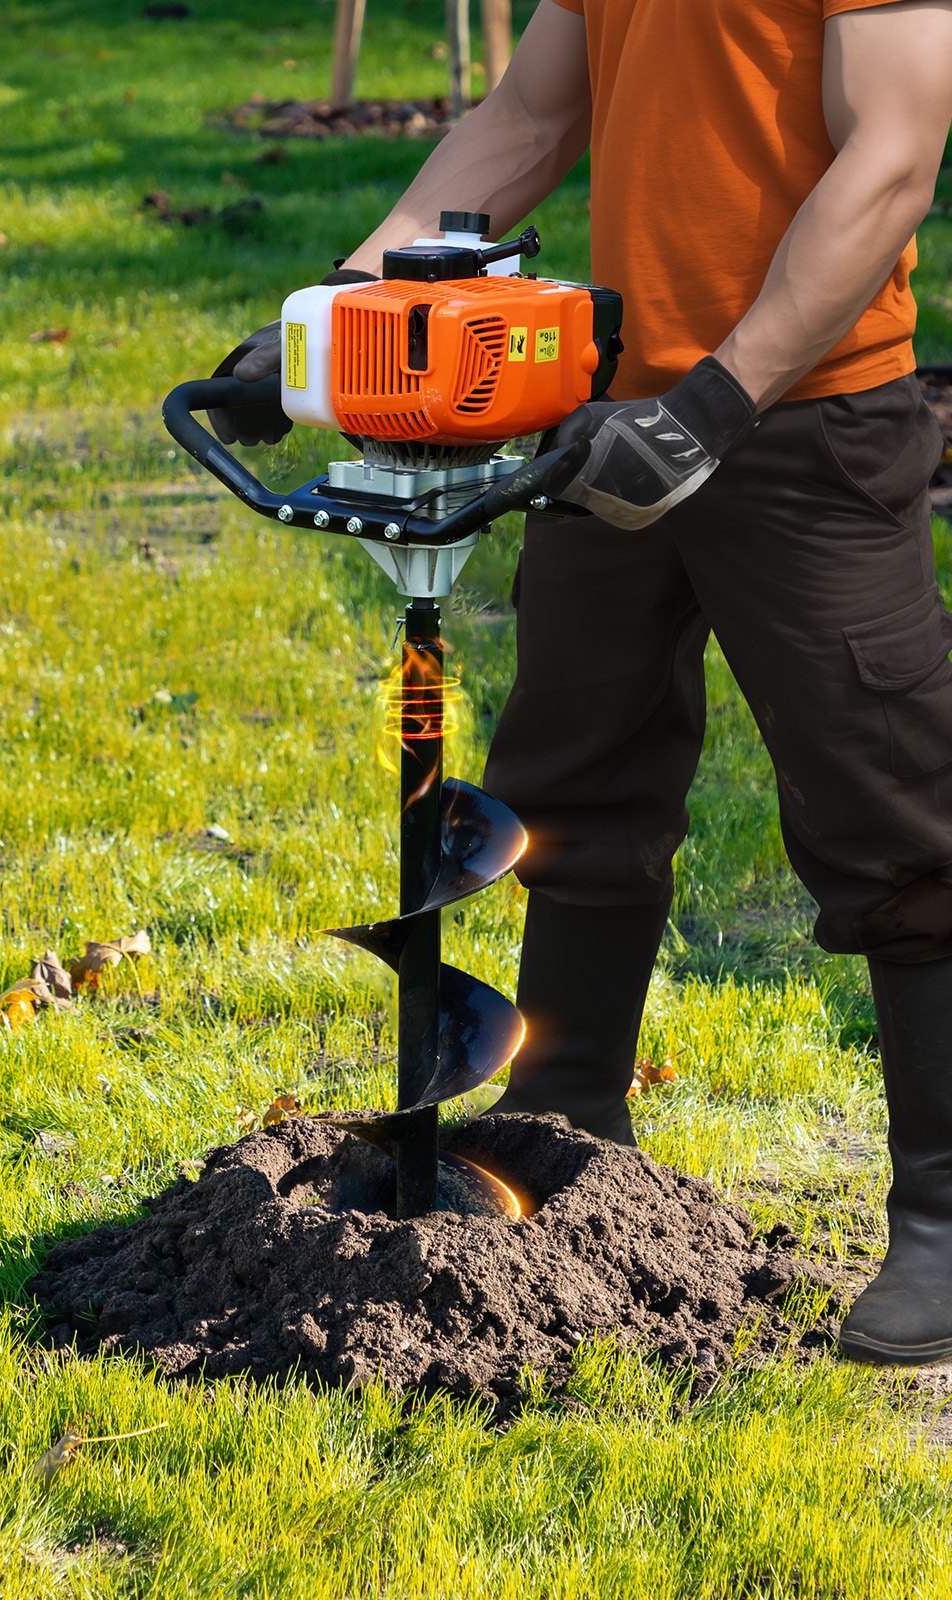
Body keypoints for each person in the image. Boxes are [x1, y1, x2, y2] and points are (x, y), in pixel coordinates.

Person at [209, 0, 952, 1366]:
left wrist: (717, 403)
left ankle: (945, 1219)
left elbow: (896, 151)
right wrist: (330, 324)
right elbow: (529, 118)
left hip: (804, 423)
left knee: (895, 811)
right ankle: (567, 1150)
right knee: (575, 789)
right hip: (602, 425)